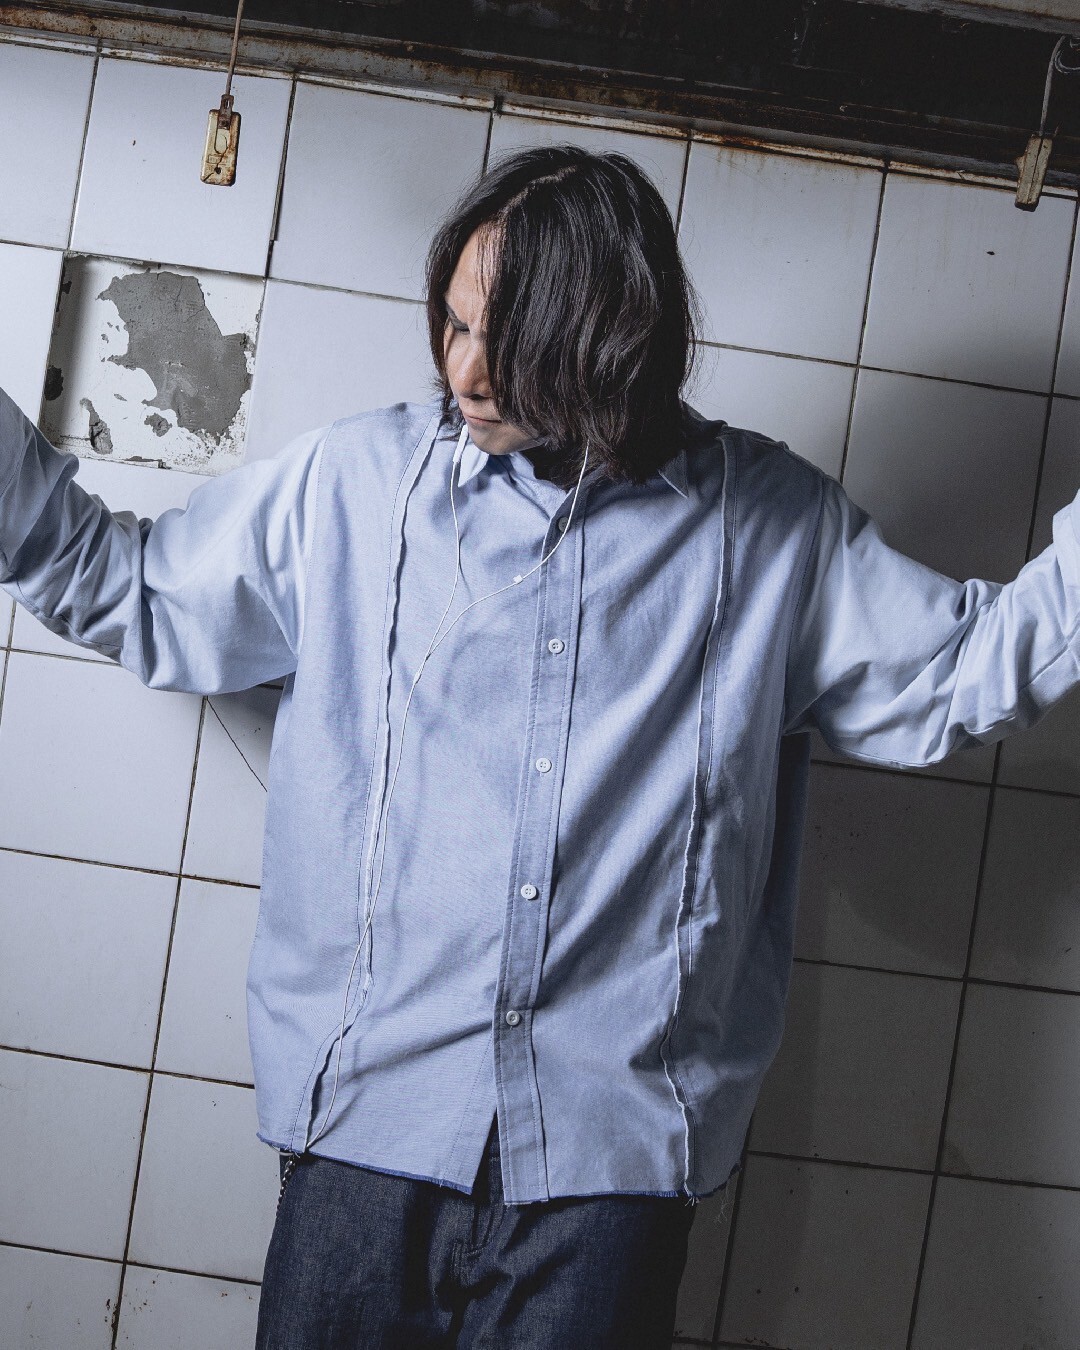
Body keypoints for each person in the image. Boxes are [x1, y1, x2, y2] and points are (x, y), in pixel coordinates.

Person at [2, 144, 1079, 1348]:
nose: (465, 372)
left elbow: (966, 675)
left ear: (614, 344)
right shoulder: (355, 488)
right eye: (455, 325)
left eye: (508, 344)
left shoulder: (772, 529)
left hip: (609, 1177)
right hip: (363, 1140)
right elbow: (132, 590)